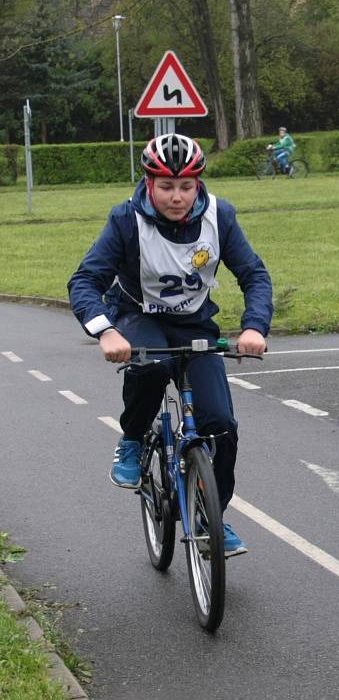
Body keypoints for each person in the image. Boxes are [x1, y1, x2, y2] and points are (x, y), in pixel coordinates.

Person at [68, 133, 273, 557]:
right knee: (153, 366)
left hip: (194, 321)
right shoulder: (125, 219)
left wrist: (254, 327)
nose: (176, 197)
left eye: (186, 186)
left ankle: (210, 516)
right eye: (166, 186)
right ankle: (133, 438)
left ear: (198, 183)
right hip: (135, 316)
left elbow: (254, 275)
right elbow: (85, 281)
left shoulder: (221, 217)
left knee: (222, 426)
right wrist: (106, 332)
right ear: (148, 183)